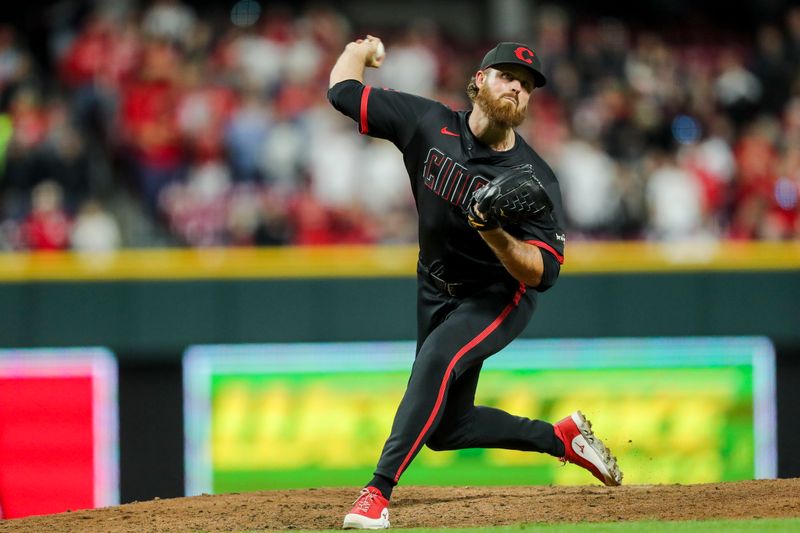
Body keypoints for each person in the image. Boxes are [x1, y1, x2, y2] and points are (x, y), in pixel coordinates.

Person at [328, 36, 622, 530]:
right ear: (480, 80)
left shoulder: (533, 177)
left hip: (498, 294)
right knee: (447, 428)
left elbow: (543, 272)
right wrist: (362, 48)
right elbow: (342, 91)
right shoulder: (427, 123)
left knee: (436, 359)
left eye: (527, 86)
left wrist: (494, 232)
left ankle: (377, 492)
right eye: (508, 76)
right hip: (434, 284)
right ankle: (561, 438)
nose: (517, 89)